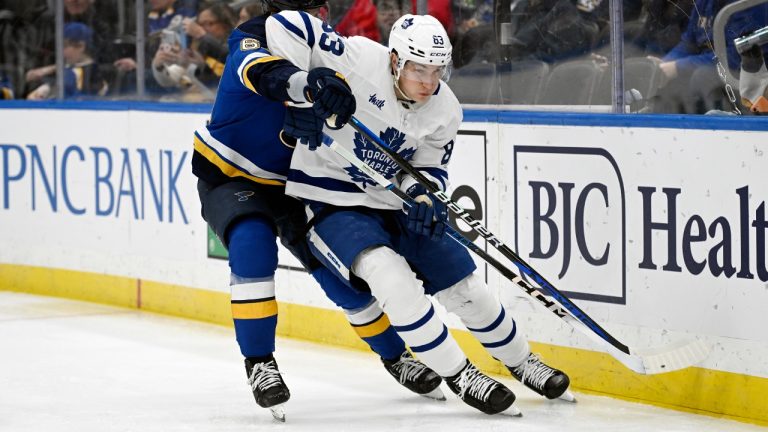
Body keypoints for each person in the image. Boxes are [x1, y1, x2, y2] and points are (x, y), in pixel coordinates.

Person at [265, 12, 573, 415]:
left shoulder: (446, 108)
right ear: (395, 60)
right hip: (330, 199)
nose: (428, 82)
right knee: (387, 273)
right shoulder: (358, 58)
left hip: (394, 201)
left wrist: (425, 196)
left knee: (464, 285)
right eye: (418, 69)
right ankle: (459, 372)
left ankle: (521, 360)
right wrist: (302, 90)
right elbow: (285, 24)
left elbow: (428, 169)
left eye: (437, 70)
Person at [190, 0, 442, 421]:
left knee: (337, 274)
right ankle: (260, 362)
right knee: (252, 243)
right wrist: (309, 86)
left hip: (297, 184)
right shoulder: (251, 37)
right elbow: (265, 73)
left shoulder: (335, 49)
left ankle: (396, 356)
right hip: (230, 172)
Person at [25, 22, 108, 99]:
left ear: (80, 46)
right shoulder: (76, 67)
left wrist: (47, 86)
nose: (61, 50)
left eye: (65, 46)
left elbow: (69, 86)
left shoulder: (86, 73)